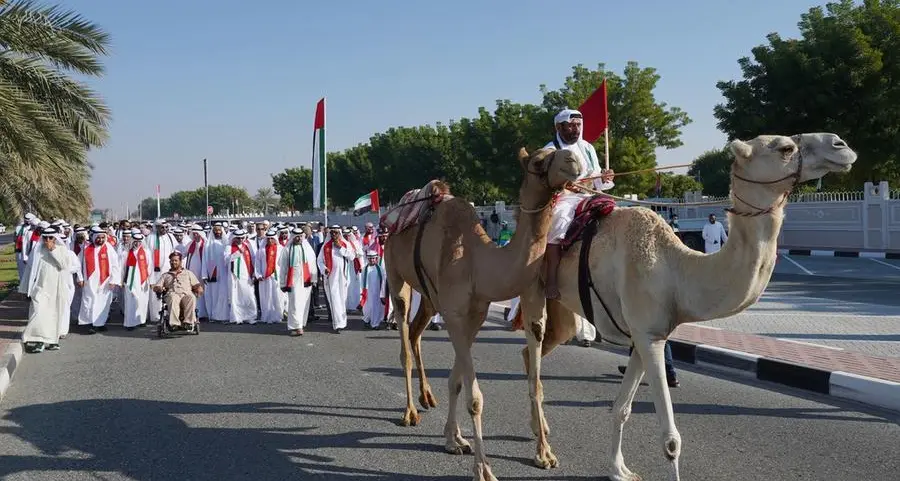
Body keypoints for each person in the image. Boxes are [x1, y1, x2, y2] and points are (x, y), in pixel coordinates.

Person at [543, 108, 615, 299]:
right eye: (571, 125)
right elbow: (544, 183)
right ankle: (551, 279)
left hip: (589, 196)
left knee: (616, 214)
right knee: (558, 226)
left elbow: (596, 178)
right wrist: (564, 185)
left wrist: (605, 178)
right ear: (560, 126)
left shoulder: (588, 148)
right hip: (564, 199)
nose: (576, 129)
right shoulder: (549, 151)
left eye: (578, 125)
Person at [21, 228, 72, 353]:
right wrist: (25, 289)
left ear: (55, 238)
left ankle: (51, 341)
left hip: (56, 289)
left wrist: (52, 250)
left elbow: (64, 265)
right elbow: (29, 270)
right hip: (40, 288)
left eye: (50, 238)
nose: (47, 240)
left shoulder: (62, 250)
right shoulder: (37, 250)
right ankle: (35, 339)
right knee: (38, 313)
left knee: (54, 315)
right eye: (45, 238)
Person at [317, 225, 354, 333]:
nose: (334, 235)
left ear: (339, 233)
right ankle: (337, 324)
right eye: (332, 233)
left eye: (336, 233)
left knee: (342, 299)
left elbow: (352, 256)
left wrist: (340, 248)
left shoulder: (345, 244)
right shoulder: (326, 246)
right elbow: (319, 261)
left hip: (343, 276)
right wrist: (324, 269)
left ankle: (342, 322)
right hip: (331, 277)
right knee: (334, 299)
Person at [152, 251, 204, 330]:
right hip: (172, 294)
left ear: (180, 262)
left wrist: (199, 288)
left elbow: (196, 284)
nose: (173, 262)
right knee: (174, 298)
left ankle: (188, 323)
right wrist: (159, 288)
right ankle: (174, 324)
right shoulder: (165, 275)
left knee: (191, 297)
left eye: (176, 260)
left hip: (186, 294)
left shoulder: (188, 273)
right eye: (172, 261)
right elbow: (157, 286)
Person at [280, 227, 318, 336]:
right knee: (295, 303)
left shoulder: (307, 248)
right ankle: (297, 327)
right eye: (296, 236)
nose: (298, 238)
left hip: (306, 280)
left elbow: (312, 263)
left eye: (300, 236)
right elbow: (283, 268)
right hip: (293, 281)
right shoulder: (287, 249)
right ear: (292, 237)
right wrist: (282, 283)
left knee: (304, 304)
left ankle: (299, 324)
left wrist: (314, 279)